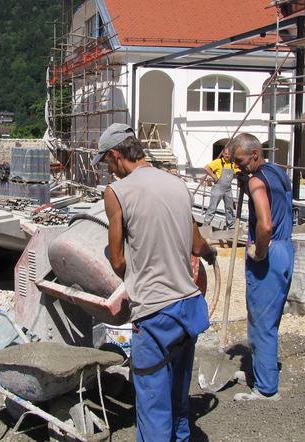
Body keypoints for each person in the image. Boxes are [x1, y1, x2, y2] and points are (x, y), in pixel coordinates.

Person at [93, 123, 216, 441]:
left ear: (116, 155)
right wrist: (211, 254)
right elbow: (197, 245)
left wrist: (130, 276)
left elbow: (118, 259)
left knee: (152, 402)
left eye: (107, 163)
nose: (110, 172)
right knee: (178, 396)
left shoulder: (117, 193)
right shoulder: (177, 184)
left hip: (155, 314)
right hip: (188, 308)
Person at [229, 133, 294, 402]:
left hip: (269, 252)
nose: (238, 167)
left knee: (261, 323)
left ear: (255, 154)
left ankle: (266, 389)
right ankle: (261, 371)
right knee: (270, 320)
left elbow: (265, 224)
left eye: (241, 161)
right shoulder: (277, 172)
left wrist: (259, 251)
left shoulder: (257, 180)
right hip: (286, 249)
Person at [203, 146, 239, 228]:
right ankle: (205, 226)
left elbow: (238, 172)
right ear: (223, 154)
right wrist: (214, 176)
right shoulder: (218, 162)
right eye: (225, 154)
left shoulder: (232, 164)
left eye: (229, 154)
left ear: (231, 155)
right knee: (212, 208)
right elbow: (206, 168)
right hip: (218, 188)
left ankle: (231, 226)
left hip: (228, 189)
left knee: (229, 208)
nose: (227, 155)